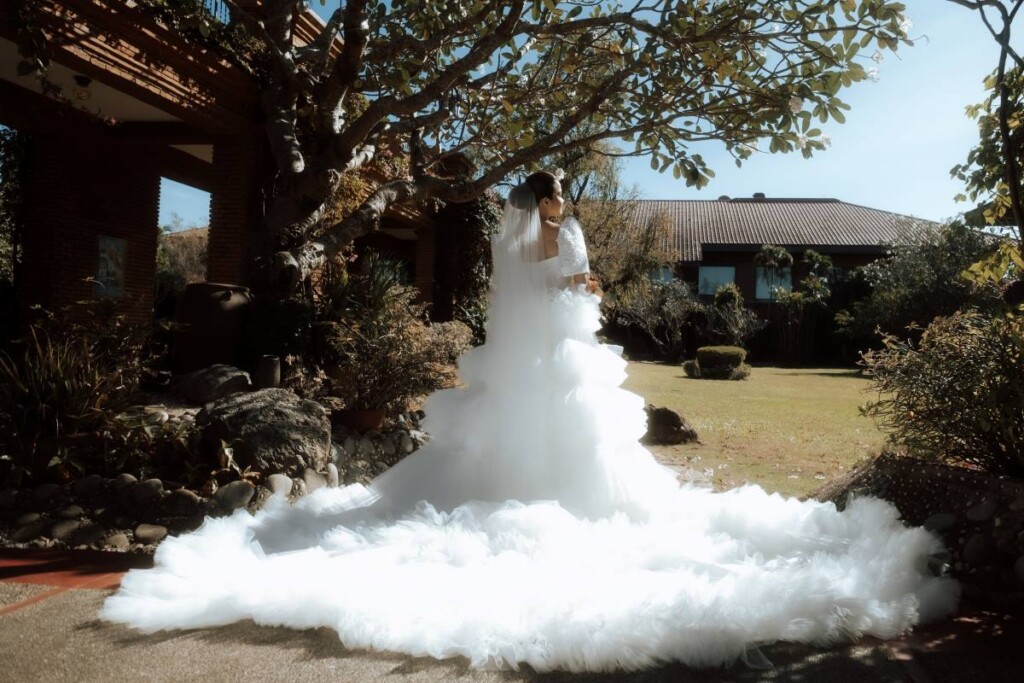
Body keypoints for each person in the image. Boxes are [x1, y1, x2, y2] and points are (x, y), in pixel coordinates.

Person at [102, 172, 959, 673]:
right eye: (553, 198)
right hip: (550, 352)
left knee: (587, 434)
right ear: (539, 203)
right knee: (569, 435)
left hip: (552, 351)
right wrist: (580, 283)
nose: (561, 206)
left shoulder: (527, 236)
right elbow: (550, 279)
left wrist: (576, 279)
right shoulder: (539, 239)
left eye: (560, 200)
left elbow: (542, 278)